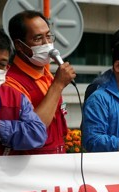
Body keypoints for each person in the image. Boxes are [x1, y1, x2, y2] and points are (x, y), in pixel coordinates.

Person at [5, 10, 76, 154]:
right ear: (19, 45)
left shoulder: (48, 75)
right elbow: (32, 130)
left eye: (48, 36)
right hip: (31, 168)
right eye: (38, 39)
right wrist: (58, 86)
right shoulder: (10, 83)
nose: (47, 44)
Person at [0, 28, 46, 155]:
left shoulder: (16, 98)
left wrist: (0, 126)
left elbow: (38, 134)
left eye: (2, 65)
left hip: (1, 171)